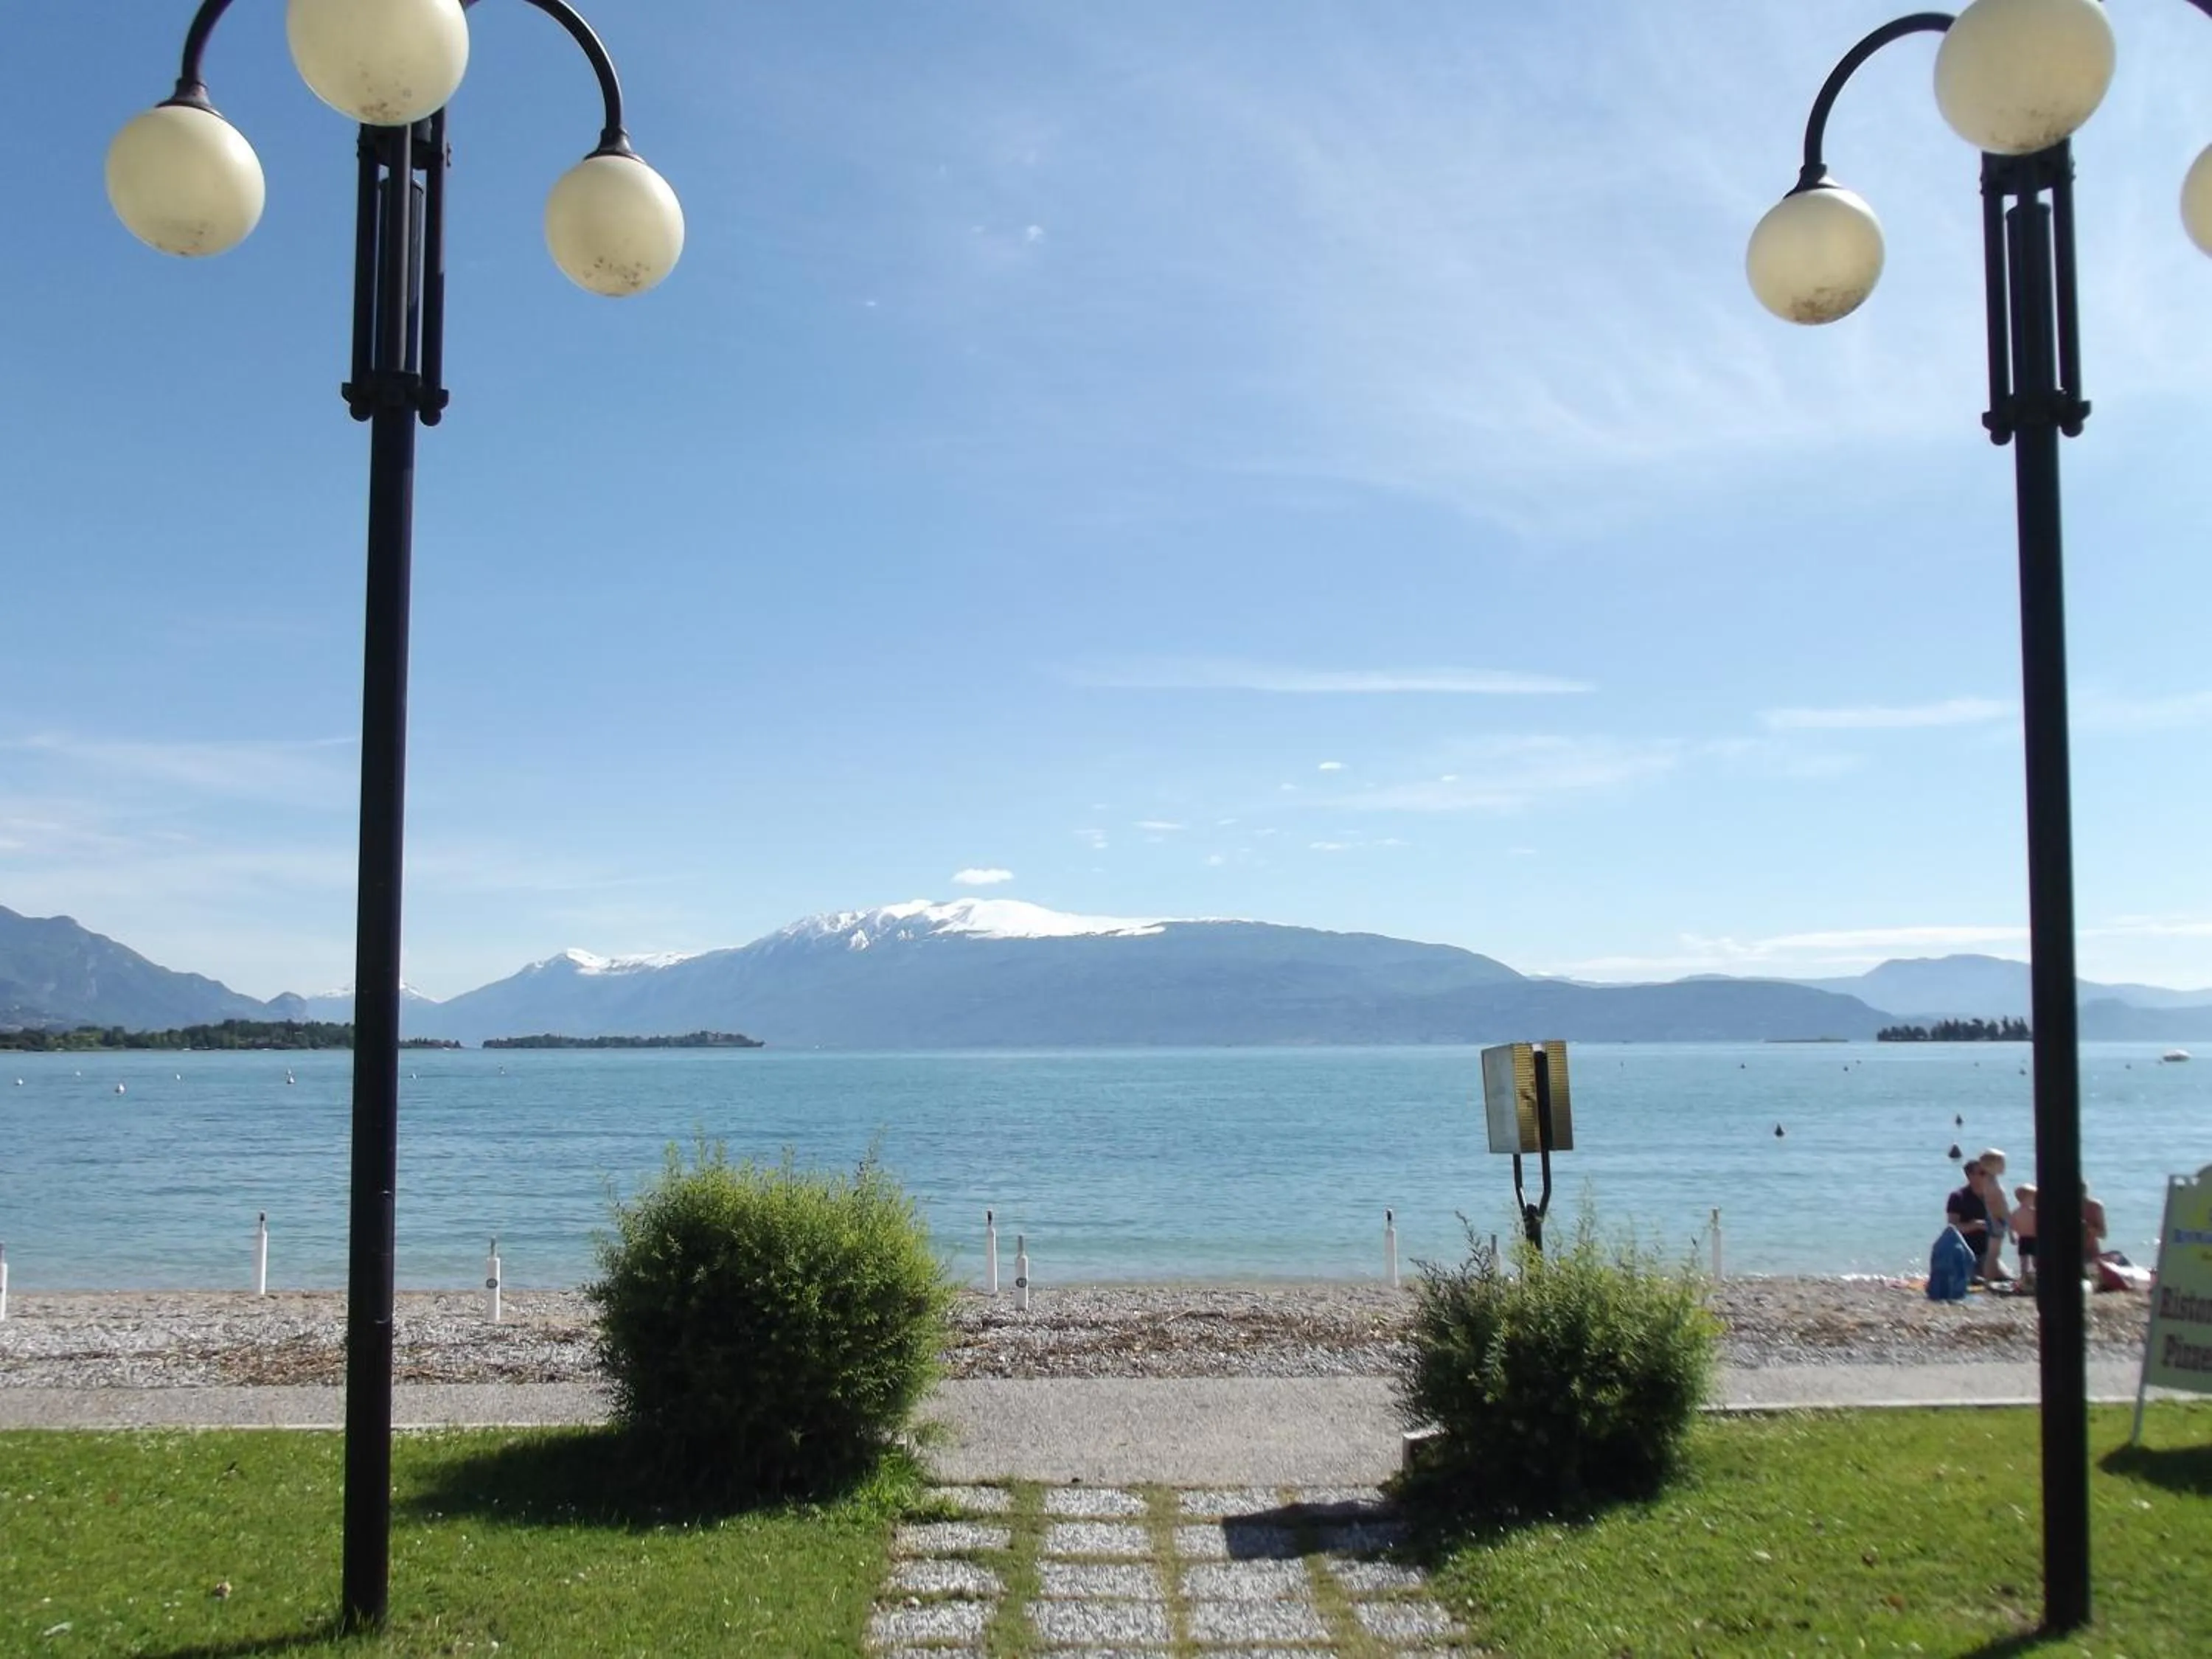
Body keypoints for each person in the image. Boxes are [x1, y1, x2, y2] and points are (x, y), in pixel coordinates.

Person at [1946, 1159, 1992, 1278]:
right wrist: (1976, 1225)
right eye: (1982, 1173)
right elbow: (1952, 1228)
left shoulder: (1992, 1196)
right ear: (1970, 1176)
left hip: (1987, 1253)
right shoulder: (1958, 1197)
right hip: (1965, 1253)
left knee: (2005, 1277)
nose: (1987, 1176)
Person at [1975, 1150, 2012, 1283]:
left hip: (2000, 1219)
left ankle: (1990, 1279)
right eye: (2001, 1164)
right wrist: (1996, 1221)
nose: (2004, 1167)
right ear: (1990, 1167)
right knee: (1993, 1254)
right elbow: (1990, 1204)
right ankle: (1988, 1281)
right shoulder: (1990, 1182)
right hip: (1996, 1219)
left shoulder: (1992, 1180)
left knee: (1995, 1253)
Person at [2011, 1183, 2038, 1289]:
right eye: (2033, 1197)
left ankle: (2027, 1280)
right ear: (2024, 1198)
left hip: (2025, 1239)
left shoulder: (2016, 1212)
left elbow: (2011, 1226)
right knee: (2027, 1262)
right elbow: (2011, 1226)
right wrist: (2012, 1235)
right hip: (2030, 1238)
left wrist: (2012, 1235)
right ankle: (2024, 1280)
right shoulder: (2034, 1212)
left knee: (2029, 1261)